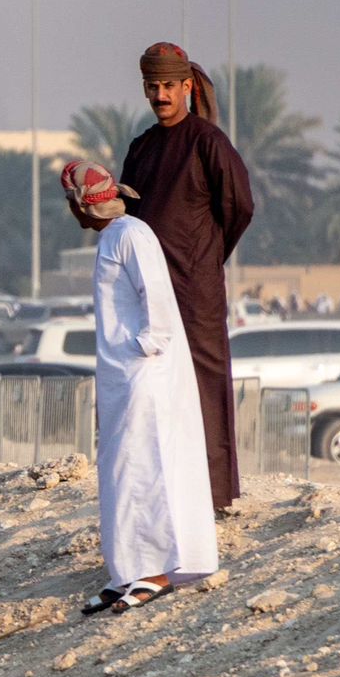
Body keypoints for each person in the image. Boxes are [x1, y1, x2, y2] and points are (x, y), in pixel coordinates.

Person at [61, 160, 218, 612]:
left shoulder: (132, 233)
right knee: (121, 471)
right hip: (122, 373)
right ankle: (126, 571)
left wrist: (144, 349)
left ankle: (155, 569)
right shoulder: (114, 236)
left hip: (142, 373)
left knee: (144, 468)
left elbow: (157, 301)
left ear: (81, 205)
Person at [120, 42, 254, 511]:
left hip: (196, 290)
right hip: (149, 295)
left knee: (204, 385)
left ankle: (215, 496)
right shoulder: (142, 147)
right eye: (152, 87)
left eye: (168, 86)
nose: (160, 95)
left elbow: (239, 206)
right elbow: (129, 216)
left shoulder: (207, 142)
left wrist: (208, 255)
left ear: (187, 87)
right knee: (153, 386)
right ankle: (166, 488)